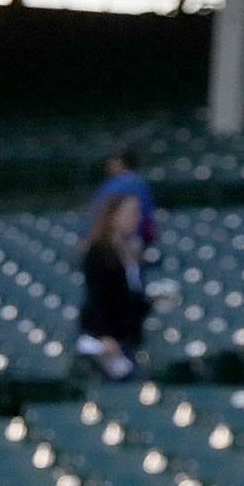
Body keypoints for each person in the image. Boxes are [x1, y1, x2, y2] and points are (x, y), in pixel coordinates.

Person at [79, 192, 153, 381]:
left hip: (129, 333)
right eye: (129, 213)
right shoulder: (99, 251)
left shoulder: (131, 249)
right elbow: (97, 295)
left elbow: (131, 294)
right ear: (113, 215)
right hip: (109, 337)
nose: (134, 218)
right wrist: (104, 335)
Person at [89, 149, 157, 247]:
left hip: (115, 240)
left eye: (113, 162)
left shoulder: (114, 184)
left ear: (121, 163)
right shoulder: (141, 184)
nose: (109, 165)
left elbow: (98, 213)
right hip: (138, 241)